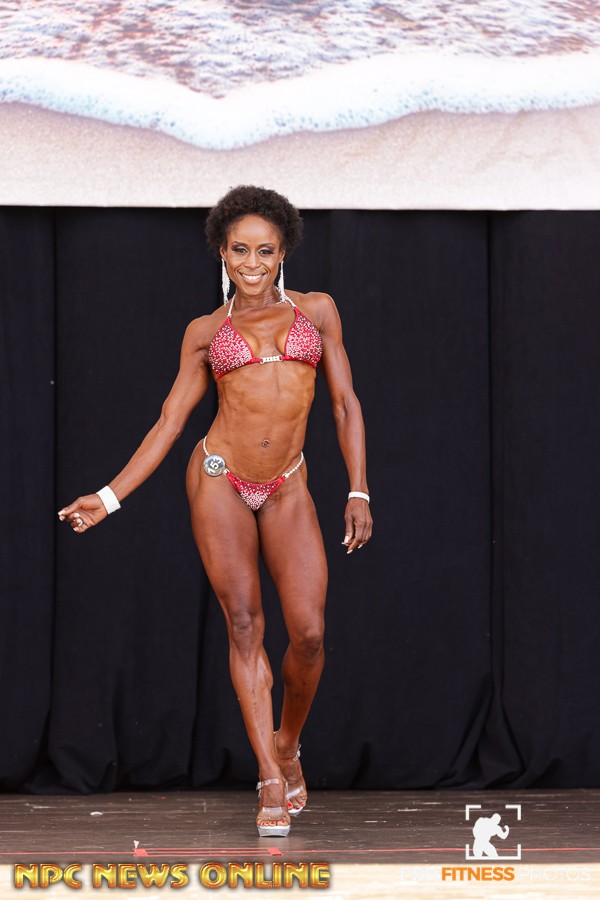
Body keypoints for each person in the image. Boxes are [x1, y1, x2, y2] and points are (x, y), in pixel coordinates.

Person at [58, 185, 372, 837]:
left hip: (288, 484)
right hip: (219, 478)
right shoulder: (206, 333)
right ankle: (268, 774)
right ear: (222, 253)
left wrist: (358, 489)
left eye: (265, 250)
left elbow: (344, 404)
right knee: (244, 622)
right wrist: (110, 497)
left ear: (283, 252)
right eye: (239, 250)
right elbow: (170, 422)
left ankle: (287, 742)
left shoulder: (318, 312)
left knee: (310, 634)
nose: (252, 262)